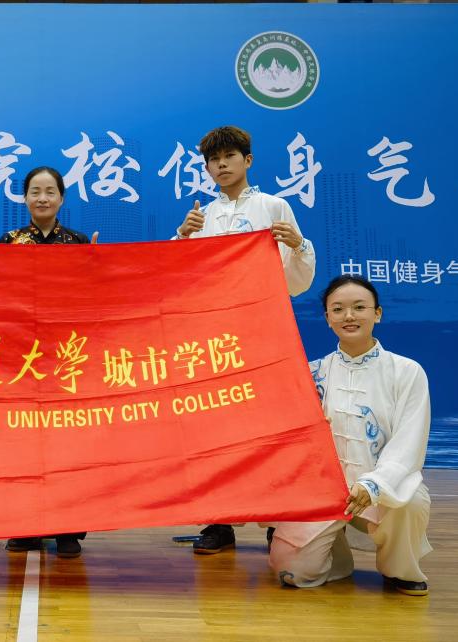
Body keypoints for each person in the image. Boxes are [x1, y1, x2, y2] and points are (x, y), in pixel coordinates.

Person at [171, 125, 316, 554]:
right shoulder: (202, 215)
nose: (221, 165)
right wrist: (182, 237)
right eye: (213, 160)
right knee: (215, 428)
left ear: (248, 160)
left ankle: (276, 520)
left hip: (262, 331)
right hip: (214, 336)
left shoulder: (274, 207)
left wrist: (299, 245)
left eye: (229, 157)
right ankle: (219, 522)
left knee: (270, 426)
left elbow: (297, 283)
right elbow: (180, 281)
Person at [269, 275, 432, 596]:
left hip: (379, 489)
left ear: (377, 314)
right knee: (293, 572)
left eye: (359, 307)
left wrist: (374, 485)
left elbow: (408, 443)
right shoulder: (312, 374)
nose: (349, 316)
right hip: (322, 489)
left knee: (410, 500)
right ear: (327, 318)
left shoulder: (406, 371)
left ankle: (399, 569)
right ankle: (335, 553)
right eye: (338, 309)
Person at [0, 166, 95, 558]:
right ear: (25, 198)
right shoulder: (9, 242)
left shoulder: (78, 242)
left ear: (62, 198)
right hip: (22, 358)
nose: (43, 198)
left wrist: (97, 267)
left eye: (50, 191)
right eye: (35, 191)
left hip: (67, 357)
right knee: (23, 442)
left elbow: (92, 299)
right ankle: (25, 526)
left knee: (69, 445)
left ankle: (68, 530)